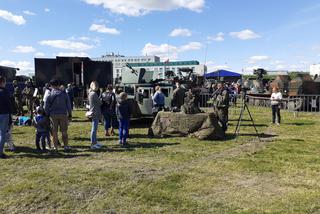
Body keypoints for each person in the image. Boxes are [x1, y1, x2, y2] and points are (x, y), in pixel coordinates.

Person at [44, 79, 72, 152]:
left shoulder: (49, 93)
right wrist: (70, 114)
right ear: (58, 84)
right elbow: (69, 105)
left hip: (53, 115)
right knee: (64, 131)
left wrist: (46, 114)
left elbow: (46, 106)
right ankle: (66, 146)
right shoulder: (64, 93)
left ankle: (55, 147)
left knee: (54, 132)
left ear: (51, 85)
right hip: (63, 114)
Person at [88, 81, 103, 149]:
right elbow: (99, 102)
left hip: (93, 111)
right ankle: (93, 143)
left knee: (94, 128)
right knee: (94, 128)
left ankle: (95, 142)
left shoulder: (90, 93)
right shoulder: (94, 94)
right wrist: (101, 95)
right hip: (95, 112)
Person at [0, 76, 12, 159]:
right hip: (4, 114)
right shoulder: (4, 91)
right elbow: (9, 104)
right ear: (2, 82)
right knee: (2, 134)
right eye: (5, 82)